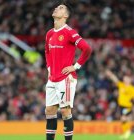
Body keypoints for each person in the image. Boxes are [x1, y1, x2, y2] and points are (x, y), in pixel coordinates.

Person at [44, 2, 92, 140]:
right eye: (56, 7)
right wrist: (49, 67)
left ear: (65, 15)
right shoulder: (50, 33)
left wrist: (75, 66)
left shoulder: (69, 32)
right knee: (50, 111)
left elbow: (87, 49)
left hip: (65, 78)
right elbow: (47, 51)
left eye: (60, 8)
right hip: (52, 78)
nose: (56, 8)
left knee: (65, 110)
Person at [106, 70, 134, 140]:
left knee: (123, 118)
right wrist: (110, 75)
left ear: (129, 80)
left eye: (126, 79)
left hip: (127, 106)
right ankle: (126, 133)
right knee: (123, 119)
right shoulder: (121, 85)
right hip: (121, 106)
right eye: (124, 78)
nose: (125, 80)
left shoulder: (132, 89)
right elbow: (115, 80)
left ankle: (128, 132)